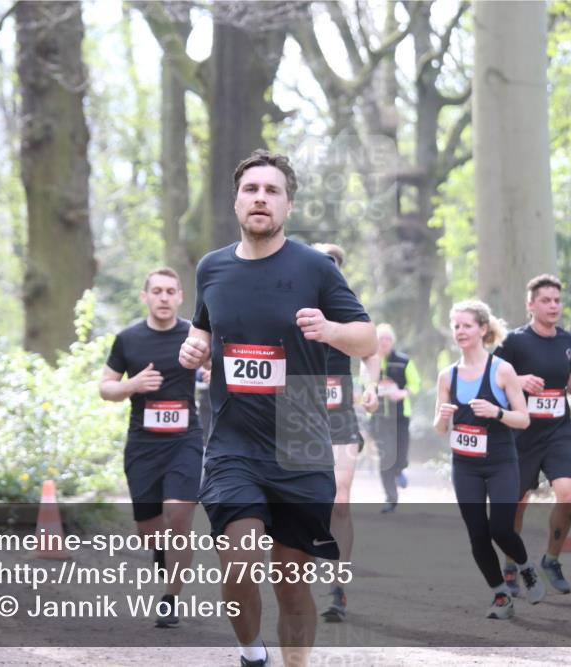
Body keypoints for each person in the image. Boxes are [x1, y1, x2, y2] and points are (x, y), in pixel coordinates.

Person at [178, 150, 376, 667]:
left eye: (272, 191)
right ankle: (251, 653)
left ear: (288, 205)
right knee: (239, 562)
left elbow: (366, 335)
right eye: (251, 189)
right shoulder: (212, 268)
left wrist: (331, 330)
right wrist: (193, 346)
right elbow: (203, 326)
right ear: (236, 201)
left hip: (300, 445)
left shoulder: (314, 268)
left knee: (291, 587)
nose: (260, 198)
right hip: (233, 444)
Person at [99, 267, 202, 628]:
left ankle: (171, 598)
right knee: (150, 529)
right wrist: (134, 385)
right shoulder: (128, 340)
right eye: (156, 291)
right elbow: (105, 388)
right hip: (143, 444)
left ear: (179, 297)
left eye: (170, 291)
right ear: (145, 297)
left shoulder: (194, 335)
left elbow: (218, 370)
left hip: (186, 440)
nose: (163, 297)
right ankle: (162, 554)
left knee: (179, 515)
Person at [434, 300, 545, 619]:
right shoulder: (448, 376)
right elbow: (440, 429)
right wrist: (442, 417)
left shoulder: (502, 370)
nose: (460, 331)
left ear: (483, 329)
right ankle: (500, 595)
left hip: (500, 462)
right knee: (477, 532)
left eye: (467, 325)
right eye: (456, 326)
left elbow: (523, 419)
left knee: (501, 528)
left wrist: (496, 412)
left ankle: (526, 568)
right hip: (465, 465)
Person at [495, 274, 571, 596]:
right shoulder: (513, 342)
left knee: (568, 494)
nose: (553, 306)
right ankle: (510, 567)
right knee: (517, 505)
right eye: (546, 300)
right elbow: (494, 379)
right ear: (530, 305)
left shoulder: (567, 341)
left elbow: (570, 376)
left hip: (558, 431)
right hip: (521, 433)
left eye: (557, 300)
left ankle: (551, 560)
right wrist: (519, 381)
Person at [311, 243, 379, 623]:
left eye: (333, 265)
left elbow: (370, 351)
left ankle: (338, 587)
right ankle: (298, 574)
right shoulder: (293, 310)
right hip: (297, 417)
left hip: (339, 418)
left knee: (339, 498)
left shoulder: (349, 313)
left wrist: (372, 385)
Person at [370, 324, 420, 513]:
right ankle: (390, 498)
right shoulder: (370, 361)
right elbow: (364, 383)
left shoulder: (403, 361)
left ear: (392, 341)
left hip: (400, 415)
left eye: (387, 339)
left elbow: (416, 384)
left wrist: (402, 393)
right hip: (378, 417)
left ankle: (400, 469)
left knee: (400, 455)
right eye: (380, 338)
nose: (384, 342)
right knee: (385, 457)